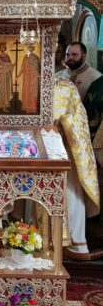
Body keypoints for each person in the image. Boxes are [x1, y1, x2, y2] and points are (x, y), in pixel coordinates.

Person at [54, 77, 101, 260]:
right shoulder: (28, 85)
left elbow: (77, 123)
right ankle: (37, 241)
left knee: (69, 193)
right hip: (38, 152)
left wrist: (61, 128)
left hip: (63, 151)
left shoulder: (64, 87)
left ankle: (74, 244)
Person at [0, 42, 14, 113]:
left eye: (4, 47)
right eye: (1, 47)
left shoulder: (7, 57)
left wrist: (10, 66)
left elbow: (10, 66)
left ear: (5, 48)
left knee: (5, 91)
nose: (2, 48)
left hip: (6, 76)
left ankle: (4, 107)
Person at [17, 43, 40, 114]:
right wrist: (18, 75)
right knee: (26, 92)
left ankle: (33, 108)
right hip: (26, 77)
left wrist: (38, 74)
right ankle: (27, 108)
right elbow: (22, 68)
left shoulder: (36, 57)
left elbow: (38, 67)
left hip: (33, 76)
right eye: (29, 47)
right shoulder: (25, 57)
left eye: (32, 47)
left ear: (33, 49)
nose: (30, 49)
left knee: (33, 92)